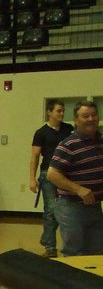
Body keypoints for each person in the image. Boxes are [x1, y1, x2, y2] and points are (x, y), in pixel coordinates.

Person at [47, 101, 103, 255]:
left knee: (97, 253)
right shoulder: (68, 145)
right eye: (85, 116)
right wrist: (78, 189)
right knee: (74, 253)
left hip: (95, 207)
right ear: (76, 121)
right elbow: (52, 174)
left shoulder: (100, 142)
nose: (91, 119)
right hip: (72, 208)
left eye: (94, 115)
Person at [29, 99, 72, 256]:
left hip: (66, 174)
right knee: (51, 209)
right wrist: (32, 178)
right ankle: (50, 247)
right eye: (58, 111)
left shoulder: (68, 129)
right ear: (49, 112)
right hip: (47, 173)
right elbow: (34, 156)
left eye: (62, 111)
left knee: (64, 208)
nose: (61, 113)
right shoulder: (41, 133)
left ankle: (47, 237)